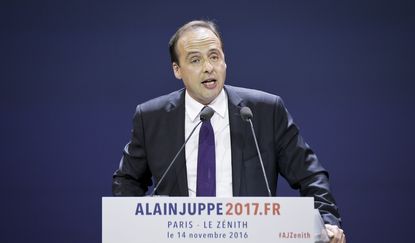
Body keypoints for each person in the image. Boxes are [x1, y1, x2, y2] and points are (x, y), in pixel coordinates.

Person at [112, 20, 346, 242]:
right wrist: (139, 228)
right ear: (177, 69)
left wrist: (327, 221)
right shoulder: (152, 117)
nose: (208, 67)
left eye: (214, 56)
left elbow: (310, 176)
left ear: (225, 60)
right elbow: (127, 180)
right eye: (195, 60)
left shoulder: (264, 111)